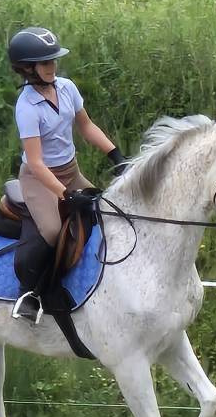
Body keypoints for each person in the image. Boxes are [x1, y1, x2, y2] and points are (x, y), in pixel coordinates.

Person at [8, 26, 127, 322]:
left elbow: (86, 126)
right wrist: (64, 195)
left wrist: (116, 155)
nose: (52, 67)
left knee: (104, 210)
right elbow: (35, 162)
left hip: (71, 171)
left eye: (53, 61)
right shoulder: (26, 107)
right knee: (50, 231)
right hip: (39, 179)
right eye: (45, 63)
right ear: (27, 68)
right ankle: (32, 292)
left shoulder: (67, 87)